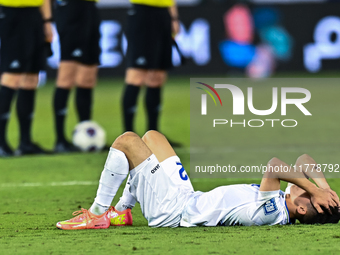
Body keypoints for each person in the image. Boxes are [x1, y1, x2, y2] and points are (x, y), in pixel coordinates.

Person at [56, 131, 340, 230]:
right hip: (188, 197)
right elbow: (305, 159)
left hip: (173, 212)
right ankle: (123, 212)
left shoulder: (273, 213)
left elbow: (275, 166)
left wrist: (314, 190)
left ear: (301, 209)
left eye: (306, 196)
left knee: (127, 142)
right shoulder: (289, 202)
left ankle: (96, 214)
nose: (301, 188)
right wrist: (323, 191)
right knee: (153, 138)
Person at [0, 0, 53, 157]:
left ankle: (25, 142)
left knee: (31, 78)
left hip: (35, 14)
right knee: (12, 77)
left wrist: (47, 20)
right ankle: (1, 142)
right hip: (12, 13)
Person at [122, 0, 180, 137]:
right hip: (143, 12)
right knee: (136, 74)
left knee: (157, 76)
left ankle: (153, 135)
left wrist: (173, 17)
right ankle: (128, 135)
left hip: (163, 14)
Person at [52, 0, 100, 153]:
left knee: (88, 76)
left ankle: (86, 135)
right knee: (67, 74)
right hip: (71, 8)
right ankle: (60, 140)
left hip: (90, 6)